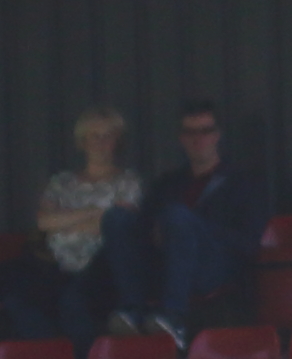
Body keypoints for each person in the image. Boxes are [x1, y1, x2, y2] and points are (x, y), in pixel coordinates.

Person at [111, 99, 266, 332]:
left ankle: (174, 318)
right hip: (165, 264)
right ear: (181, 138)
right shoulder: (167, 184)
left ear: (217, 135)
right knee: (117, 218)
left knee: (177, 215)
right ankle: (133, 311)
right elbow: (144, 228)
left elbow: (249, 243)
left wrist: (194, 228)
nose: (198, 139)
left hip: (214, 268)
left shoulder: (241, 183)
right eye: (190, 132)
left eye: (205, 131)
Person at [3, 106, 141, 339]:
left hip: (100, 267)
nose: (101, 142)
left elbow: (114, 227)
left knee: (73, 303)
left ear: (118, 141)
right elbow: (44, 222)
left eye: (108, 136)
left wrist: (65, 220)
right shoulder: (61, 182)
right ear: (82, 142)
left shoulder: (128, 182)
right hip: (54, 264)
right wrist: (93, 211)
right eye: (94, 136)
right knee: (16, 299)